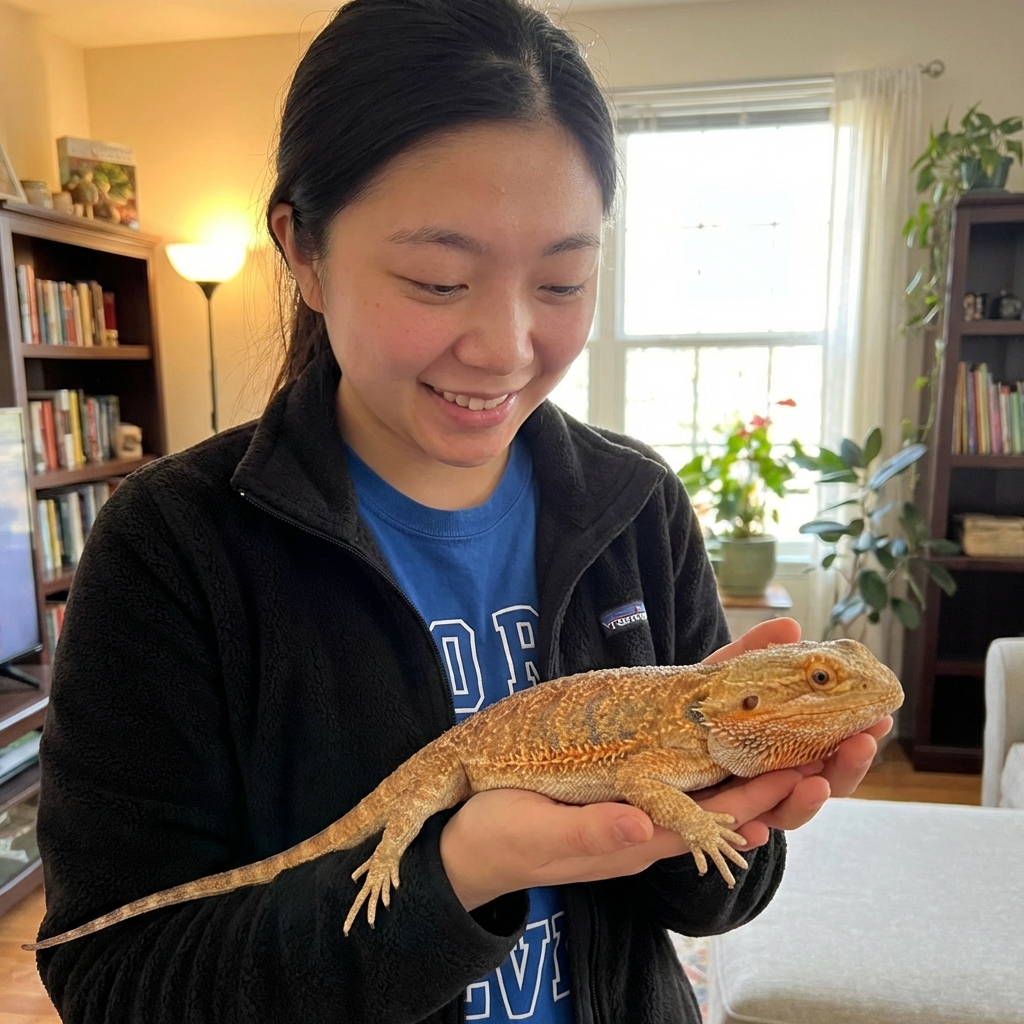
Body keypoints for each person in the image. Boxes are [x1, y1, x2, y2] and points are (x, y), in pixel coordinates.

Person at [34, 0, 891, 1021]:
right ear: (302, 250)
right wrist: (458, 871)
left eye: (564, 280)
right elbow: (118, 978)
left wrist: (721, 812)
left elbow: (717, 902)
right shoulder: (172, 547)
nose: (504, 346)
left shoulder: (637, 508)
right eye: (436, 280)